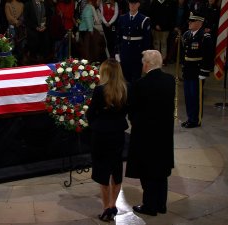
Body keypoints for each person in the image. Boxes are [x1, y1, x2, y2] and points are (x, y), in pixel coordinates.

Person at [125, 49, 175, 217]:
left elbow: (132, 111)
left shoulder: (140, 84)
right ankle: (161, 204)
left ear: (146, 65)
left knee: (147, 171)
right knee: (161, 170)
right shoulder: (170, 81)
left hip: (145, 135)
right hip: (164, 134)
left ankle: (150, 206)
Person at [85, 58, 128, 222]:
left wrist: (95, 122)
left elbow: (91, 113)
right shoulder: (126, 89)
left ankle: (106, 208)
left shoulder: (99, 90)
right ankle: (113, 204)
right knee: (116, 169)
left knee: (102, 170)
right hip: (118, 134)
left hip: (101, 135)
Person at [180, 11, 213, 128]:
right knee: (188, 96)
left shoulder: (204, 37)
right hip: (188, 70)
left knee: (196, 97)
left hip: (197, 70)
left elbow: (208, 56)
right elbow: (184, 53)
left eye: (192, 21)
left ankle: (196, 120)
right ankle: (190, 118)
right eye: (190, 21)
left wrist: (204, 72)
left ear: (199, 23)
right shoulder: (186, 35)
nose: (190, 23)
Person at [115, 0, 151, 85]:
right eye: (130, 3)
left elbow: (147, 39)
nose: (132, 5)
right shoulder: (122, 18)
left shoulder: (144, 19)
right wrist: (117, 52)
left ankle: (134, 96)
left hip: (137, 52)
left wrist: (145, 54)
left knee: (136, 78)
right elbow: (118, 36)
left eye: (134, 3)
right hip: (124, 51)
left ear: (138, 4)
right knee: (124, 77)